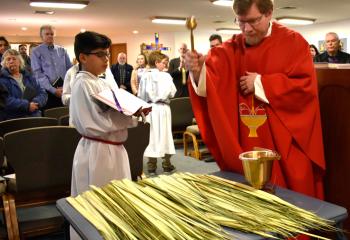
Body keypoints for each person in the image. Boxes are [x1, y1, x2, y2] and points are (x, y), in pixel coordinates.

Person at [186, 0, 325, 199]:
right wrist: (198, 72)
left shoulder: (293, 43)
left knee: (292, 197)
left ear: (269, 13)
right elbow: (211, 87)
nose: (246, 29)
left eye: (253, 21)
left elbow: (304, 90)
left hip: (284, 140)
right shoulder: (229, 49)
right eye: (241, 22)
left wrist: (261, 83)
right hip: (246, 140)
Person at [70, 31, 141, 198]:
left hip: (114, 148)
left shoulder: (101, 82)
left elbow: (115, 108)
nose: (106, 58)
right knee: (100, 201)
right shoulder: (82, 84)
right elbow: (94, 124)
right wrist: (128, 115)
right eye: (100, 54)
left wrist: (132, 109)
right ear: (83, 58)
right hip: (97, 151)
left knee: (120, 199)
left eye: (107, 54)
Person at [138, 51, 177, 175]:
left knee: (152, 136)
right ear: (156, 62)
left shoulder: (145, 76)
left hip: (149, 108)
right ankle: (167, 164)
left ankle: (151, 166)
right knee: (165, 134)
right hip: (163, 108)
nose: (165, 66)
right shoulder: (166, 76)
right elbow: (172, 92)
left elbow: (141, 95)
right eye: (164, 63)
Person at [31, 25, 72, 109]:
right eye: (47, 34)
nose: (50, 36)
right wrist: (53, 90)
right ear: (41, 36)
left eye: (52, 34)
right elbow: (38, 74)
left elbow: (70, 70)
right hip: (47, 91)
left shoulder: (62, 50)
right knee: (50, 116)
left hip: (64, 90)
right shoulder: (36, 52)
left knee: (65, 115)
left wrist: (66, 86)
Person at [0, 49, 47, 121]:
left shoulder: (30, 77)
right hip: (14, 119)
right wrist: (27, 105)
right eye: (8, 59)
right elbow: (6, 100)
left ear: (19, 62)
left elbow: (42, 93)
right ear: (4, 64)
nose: (11, 61)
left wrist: (35, 102)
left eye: (14, 59)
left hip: (34, 116)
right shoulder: (2, 80)